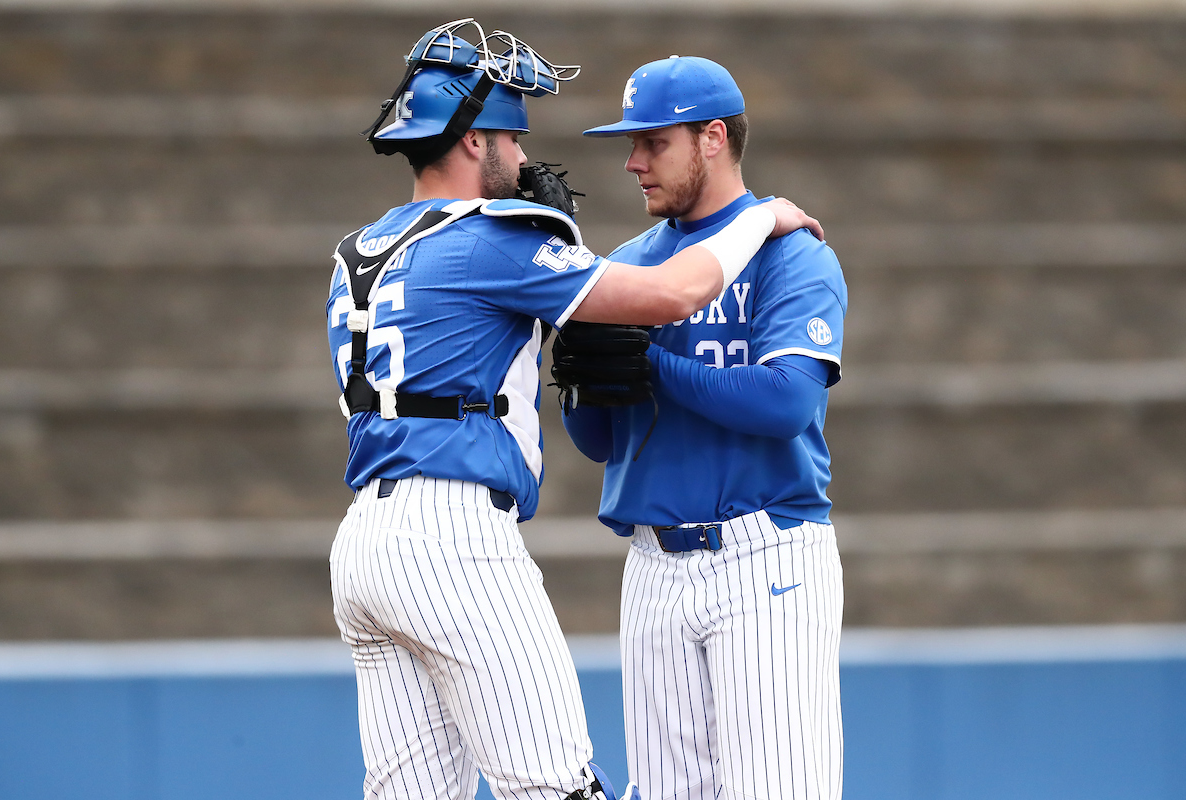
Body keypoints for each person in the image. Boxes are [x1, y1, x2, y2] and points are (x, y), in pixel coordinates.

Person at [324, 22, 821, 800]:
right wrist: (763, 216)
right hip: (453, 538)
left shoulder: (359, 249)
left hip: (363, 549)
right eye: (510, 140)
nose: (523, 161)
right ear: (473, 140)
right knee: (559, 788)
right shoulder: (495, 237)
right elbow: (675, 294)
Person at [561, 56, 848, 800]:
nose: (632, 162)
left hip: (765, 557)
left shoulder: (792, 252)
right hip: (653, 564)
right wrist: (580, 371)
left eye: (653, 142)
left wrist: (652, 364)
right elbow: (601, 444)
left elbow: (788, 402)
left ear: (712, 137)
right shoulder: (627, 265)